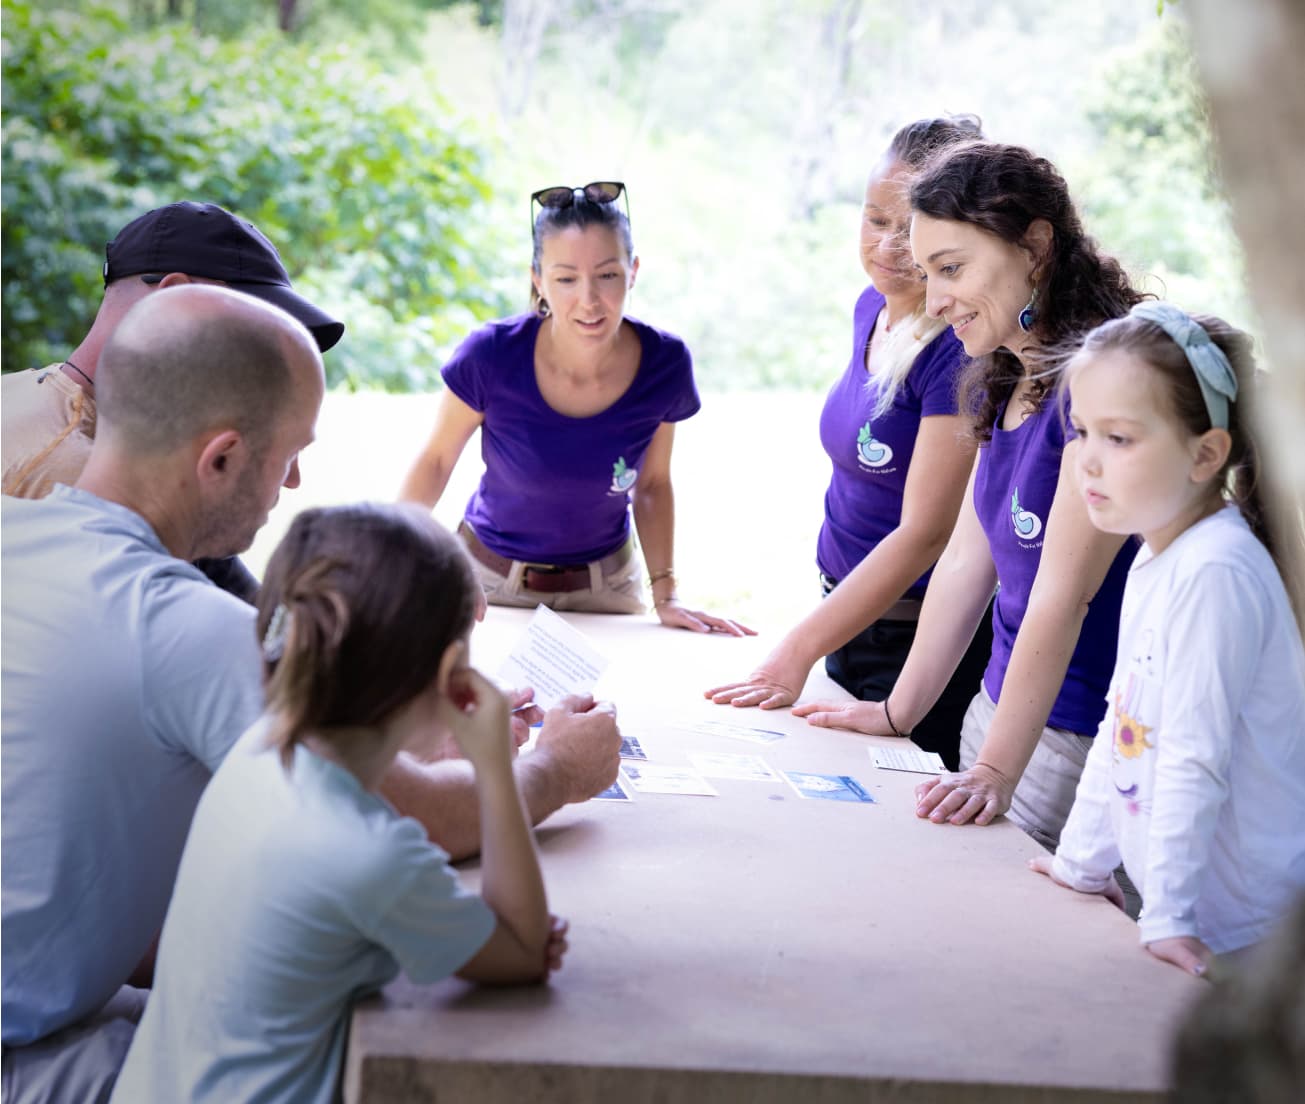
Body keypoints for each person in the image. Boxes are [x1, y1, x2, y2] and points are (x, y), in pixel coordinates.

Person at [0, 286, 619, 1104]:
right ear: (220, 458)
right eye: (289, 453)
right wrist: (554, 770)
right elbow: (412, 820)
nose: (292, 482)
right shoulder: (182, 628)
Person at [110, 503, 567, 1103]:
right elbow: (525, 950)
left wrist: (495, 931)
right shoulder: (371, 854)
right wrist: (493, 768)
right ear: (452, 674)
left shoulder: (259, 751)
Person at [794, 142, 1144, 850]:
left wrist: (993, 771)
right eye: (927, 274)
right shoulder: (1001, 373)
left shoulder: (1100, 388)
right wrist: (897, 712)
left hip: (1076, 735)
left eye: (951, 269)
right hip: (996, 711)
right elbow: (963, 561)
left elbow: (1060, 596)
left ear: (1035, 247)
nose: (934, 299)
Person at [704, 116, 992, 769]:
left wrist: (795, 650)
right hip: (847, 620)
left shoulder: (958, 350)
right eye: (874, 218)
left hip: (914, 646)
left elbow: (925, 534)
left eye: (908, 227)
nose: (887, 244)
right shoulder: (871, 306)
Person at [1027, 306, 1305, 975]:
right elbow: (1123, 722)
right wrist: (1081, 862)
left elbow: (1192, 754)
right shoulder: (1160, 554)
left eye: (1118, 438)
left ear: (1205, 454)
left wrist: (1169, 917)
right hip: (1199, 918)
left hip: (1244, 932)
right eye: (1081, 432)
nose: (1088, 461)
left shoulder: (1216, 571)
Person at [399, 181, 751, 635]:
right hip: (485, 583)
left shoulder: (665, 363)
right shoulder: (490, 355)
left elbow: (652, 484)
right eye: (566, 279)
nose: (588, 300)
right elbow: (436, 460)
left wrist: (667, 595)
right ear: (538, 279)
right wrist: (391, 554)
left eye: (607, 275)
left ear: (633, 271)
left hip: (608, 589)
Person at [1, 200, 346, 603]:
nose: (267, 358)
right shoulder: (77, 474)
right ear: (171, 298)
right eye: (255, 327)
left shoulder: (28, 395)